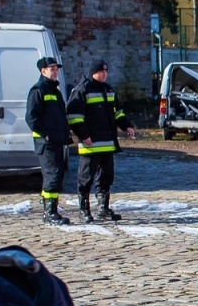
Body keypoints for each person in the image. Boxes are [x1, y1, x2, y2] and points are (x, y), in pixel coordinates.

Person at [65, 60, 135, 223]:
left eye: (106, 71)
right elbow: (74, 117)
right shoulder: (82, 90)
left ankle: (103, 208)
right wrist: (84, 135)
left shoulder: (108, 90)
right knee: (86, 179)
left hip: (107, 144)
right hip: (91, 145)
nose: (105, 74)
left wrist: (127, 126)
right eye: (101, 71)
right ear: (92, 72)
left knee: (106, 177)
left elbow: (118, 113)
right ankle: (84, 210)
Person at [26, 56, 74, 225]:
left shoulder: (55, 91)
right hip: (46, 143)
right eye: (52, 69)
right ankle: (49, 213)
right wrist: (45, 134)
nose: (55, 72)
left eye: (56, 69)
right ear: (43, 71)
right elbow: (31, 117)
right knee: (52, 176)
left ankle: (50, 209)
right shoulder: (38, 90)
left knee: (57, 176)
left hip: (57, 141)